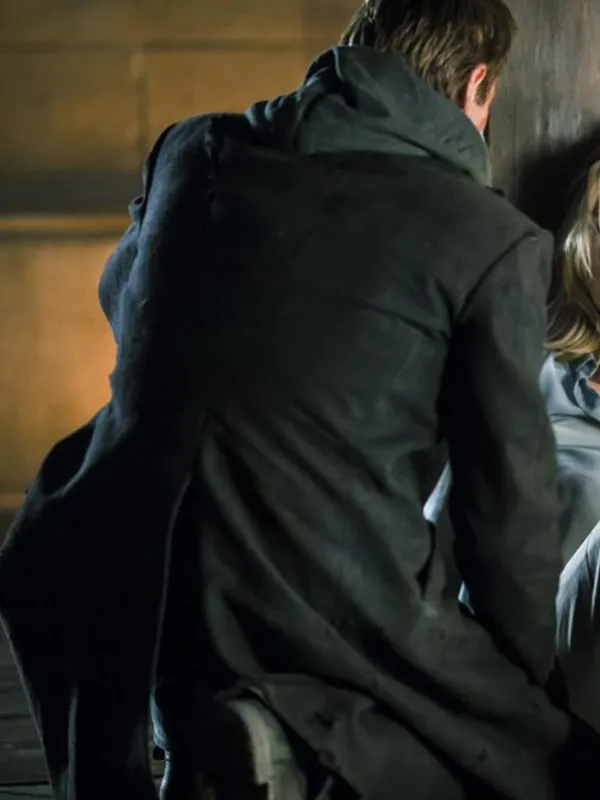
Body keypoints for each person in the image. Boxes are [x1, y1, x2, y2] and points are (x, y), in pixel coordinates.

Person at [0, 1, 596, 798]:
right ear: (476, 85)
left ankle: (215, 726)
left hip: (113, 545)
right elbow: (503, 510)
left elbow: (127, 302)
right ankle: (277, 734)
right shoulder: (489, 237)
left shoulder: (192, 149)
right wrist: (524, 687)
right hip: (321, 574)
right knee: (544, 763)